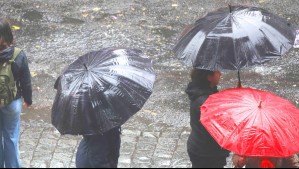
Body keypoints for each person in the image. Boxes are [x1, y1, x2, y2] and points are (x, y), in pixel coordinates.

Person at [0, 18, 32, 168]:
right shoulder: (18, 54)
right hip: (13, 102)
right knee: (11, 137)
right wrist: (28, 100)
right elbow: (26, 81)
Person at [185, 68, 230, 168]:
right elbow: (221, 126)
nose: (220, 74)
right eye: (217, 72)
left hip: (200, 147)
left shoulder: (202, 91)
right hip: (208, 154)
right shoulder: (206, 102)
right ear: (209, 77)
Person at [232, 153, 299, 168]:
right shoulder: (249, 140)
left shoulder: (281, 141)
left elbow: (294, 164)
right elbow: (236, 157)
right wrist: (239, 162)